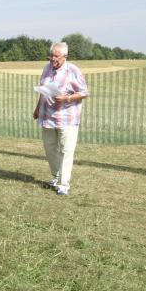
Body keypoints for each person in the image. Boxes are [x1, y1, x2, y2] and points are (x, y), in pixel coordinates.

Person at [32, 41, 89, 196]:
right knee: (50, 148)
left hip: (67, 118)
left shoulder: (73, 71)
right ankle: (56, 177)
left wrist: (66, 98)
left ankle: (64, 184)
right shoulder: (47, 68)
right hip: (47, 116)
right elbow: (43, 90)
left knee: (66, 150)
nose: (52, 59)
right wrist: (37, 109)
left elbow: (84, 92)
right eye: (51, 55)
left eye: (56, 56)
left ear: (65, 56)